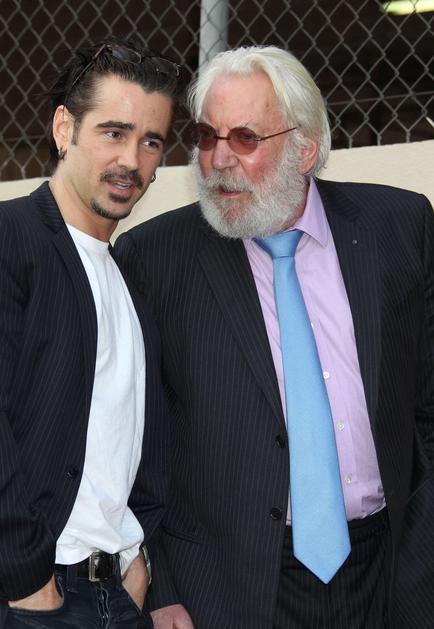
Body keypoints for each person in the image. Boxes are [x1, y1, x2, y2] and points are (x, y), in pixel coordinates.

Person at [114, 46, 434, 629]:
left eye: (245, 138)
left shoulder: (399, 228)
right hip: (229, 585)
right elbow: (137, 442)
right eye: (207, 136)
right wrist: (165, 588)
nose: (217, 160)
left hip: (388, 569)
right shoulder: (154, 259)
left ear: (304, 149)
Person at [0, 36, 183, 628]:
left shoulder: (130, 274)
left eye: (150, 141)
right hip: (34, 598)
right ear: (64, 128)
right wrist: (25, 577)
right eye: (113, 132)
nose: (131, 159)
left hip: (115, 595)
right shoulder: (12, 240)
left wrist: (138, 557)